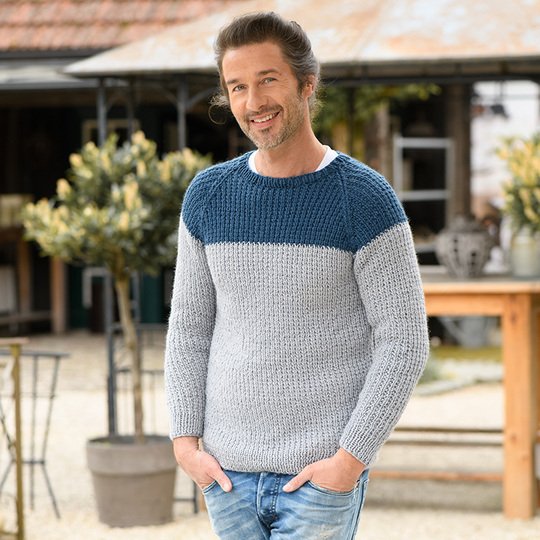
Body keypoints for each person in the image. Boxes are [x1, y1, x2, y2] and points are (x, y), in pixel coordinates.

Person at [164, 11, 429, 539]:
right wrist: (185, 444)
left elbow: (404, 340)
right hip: (226, 474)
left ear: (307, 84)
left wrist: (350, 459)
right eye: (237, 86)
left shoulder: (364, 199)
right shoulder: (208, 196)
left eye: (268, 80)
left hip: (319, 476)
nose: (253, 102)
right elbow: (189, 330)